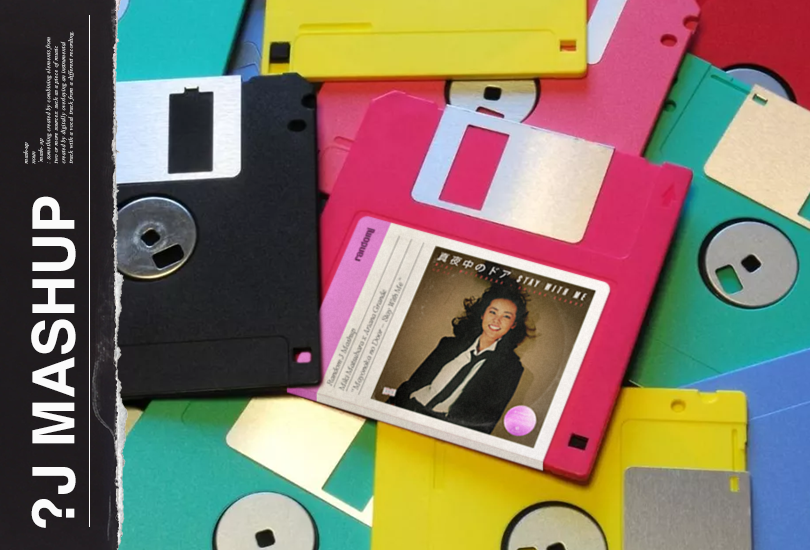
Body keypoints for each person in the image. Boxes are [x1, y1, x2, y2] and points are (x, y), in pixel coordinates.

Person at [388, 281, 534, 434]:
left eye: (506, 316)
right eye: (493, 312)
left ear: (513, 325)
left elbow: (487, 420)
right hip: (406, 408)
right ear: (482, 314)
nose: (497, 320)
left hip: (441, 428)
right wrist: (392, 405)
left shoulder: (511, 369)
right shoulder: (448, 344)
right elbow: (415, 381)